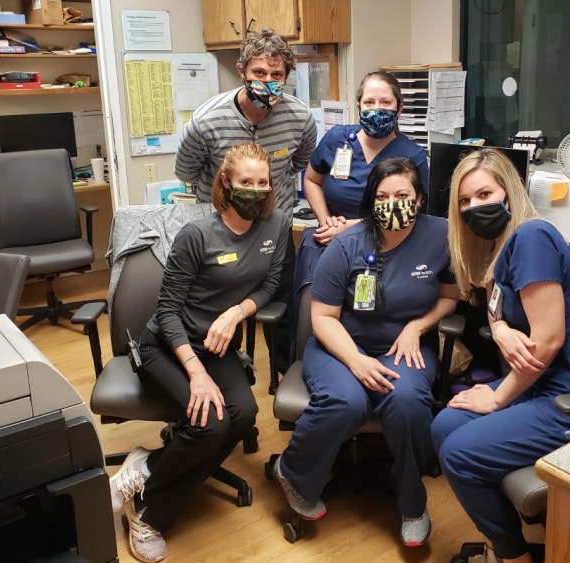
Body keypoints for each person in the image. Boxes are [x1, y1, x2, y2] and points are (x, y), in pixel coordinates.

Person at [430, 148, 570, 563]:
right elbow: (494, 306)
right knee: (444, 424)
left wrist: (497, 398)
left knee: (459, 454)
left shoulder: (532, 238)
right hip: (543, 381)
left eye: (484, 194)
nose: (474, 207)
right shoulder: (499, 245)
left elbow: (548, 341)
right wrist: (499, 329)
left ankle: (513, 556)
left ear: (509, 192)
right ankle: (499, 536)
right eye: (465, 201)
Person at [110, 142, 290, 563]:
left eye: (262, 183)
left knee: (243, 415)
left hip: (215, 346)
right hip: (164, 346)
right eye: (246, 182)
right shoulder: (197, 235)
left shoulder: (277, 225)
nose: (255, 191)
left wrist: (235, 313)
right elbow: (167, 310)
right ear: (226, 182)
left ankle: (146, 466)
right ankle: (149, 513)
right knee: (209, 424)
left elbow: (270, 284)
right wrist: (196, 373)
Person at [274, 157, 459, 547]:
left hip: (403, 344)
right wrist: (356, 361)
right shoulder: (346, 244)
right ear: (371, 201)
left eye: (402, 195)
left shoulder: (441, 235)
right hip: (341, 342)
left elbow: (449, 296)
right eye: (382, 197)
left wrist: (417, 326)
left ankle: (412, 504)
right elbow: (322, 317)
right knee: (346, 401)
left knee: (406, 400)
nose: (392, 204)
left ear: (419, 199)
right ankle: (294, 472)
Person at [174, 28, 316, 374]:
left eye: (277, 75)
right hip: (221, 233)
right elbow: (187, 172)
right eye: (259, 72)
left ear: (286, 76)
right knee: (213, 310)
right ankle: (213, 368)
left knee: (284, 309)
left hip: (274, 230)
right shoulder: (206, 121)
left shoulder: (300, 118)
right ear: (242, 71)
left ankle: (285, 376)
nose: (268, 81)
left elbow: (299, 163)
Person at [303, 71, 428, 246]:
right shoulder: (337, 139)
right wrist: (327, 223)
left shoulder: (413, 155)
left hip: (386, 245)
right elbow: (311, 180)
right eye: (369, 102)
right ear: (359, 107)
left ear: (399, 108)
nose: (376, 109)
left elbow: (415, 213)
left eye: (385, 102)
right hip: (332, 242)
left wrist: (350, 229)